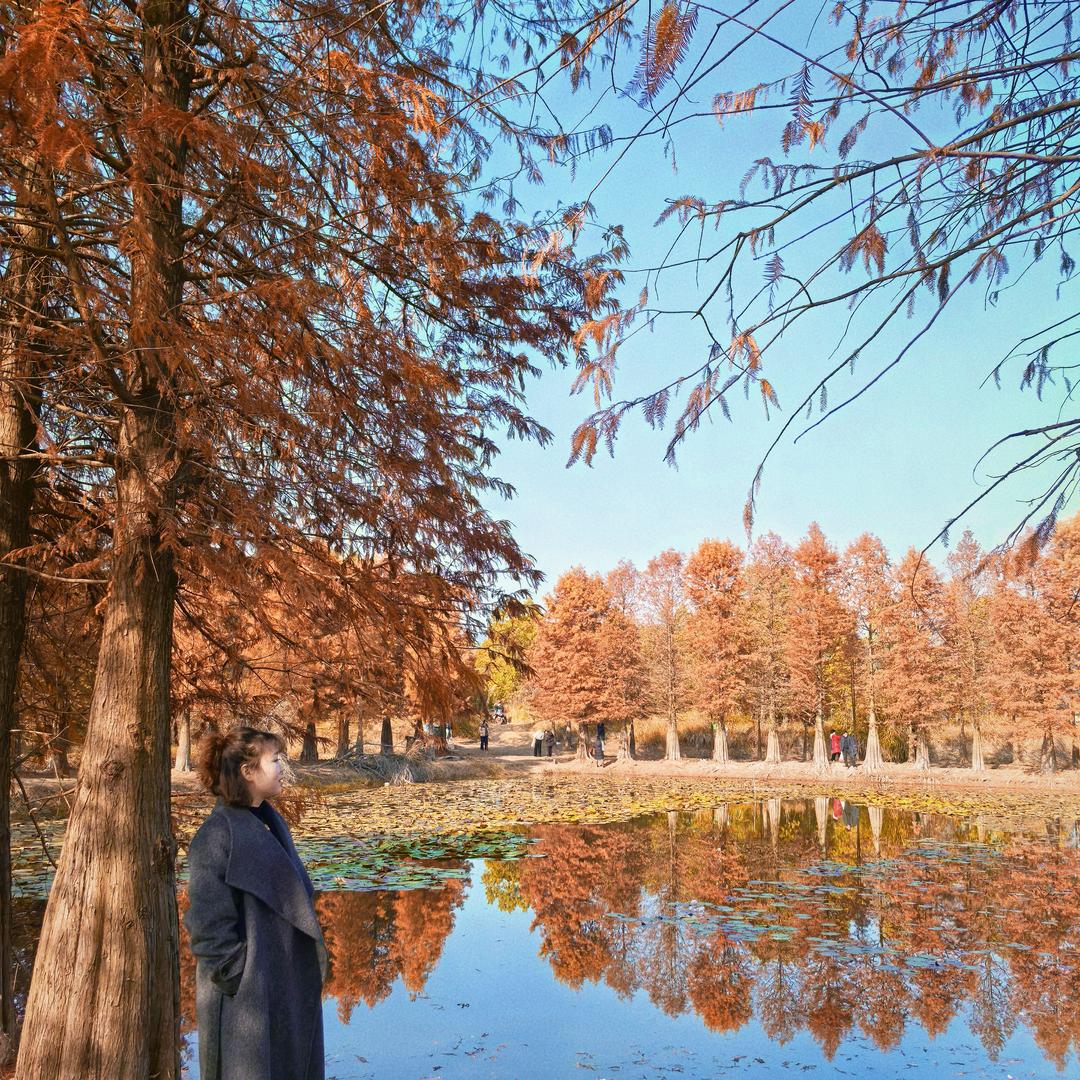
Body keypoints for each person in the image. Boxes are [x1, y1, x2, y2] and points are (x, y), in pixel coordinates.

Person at [185, 726, 327, 1080]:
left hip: (282, 990)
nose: (282, 768)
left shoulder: (268, 823)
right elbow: (207, 933)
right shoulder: (216, 837)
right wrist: (246, 980)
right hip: (246, 1007)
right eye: (275, 760)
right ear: (248, 772)